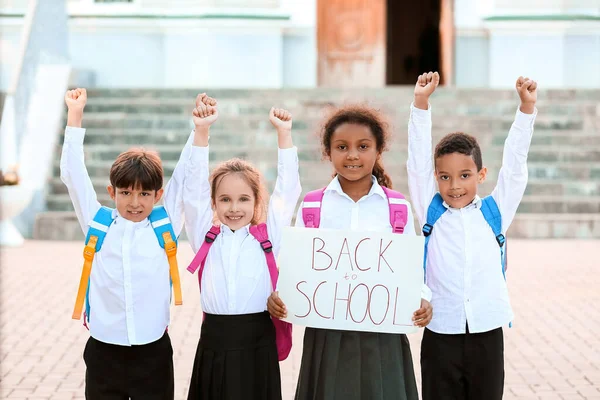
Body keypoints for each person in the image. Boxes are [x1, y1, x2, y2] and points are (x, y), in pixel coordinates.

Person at [268, 104, 433, 400]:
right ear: (328, 152)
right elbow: (299, 262)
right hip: (327, 335)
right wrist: (282, 294)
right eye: (342, 147)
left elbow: (410, 268)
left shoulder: (396, 207)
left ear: (378, 150)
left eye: (363, 146)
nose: (353, 155)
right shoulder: (313, 205)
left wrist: (423, 298)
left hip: (383, 335)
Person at [407, 71, 538, 400]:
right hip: (441, 332)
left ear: (480, 174)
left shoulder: (495, 212)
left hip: (487, 333)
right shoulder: (430, 211)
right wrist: (421, 104)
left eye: (465, 175)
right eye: (445, 177)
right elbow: (416, 163)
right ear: (435, 178)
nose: (455, 186)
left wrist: (526, 109)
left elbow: (516, 165)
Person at [61, 88, 193, 399]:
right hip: (104, 350)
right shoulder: (98, 223)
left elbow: (186, 177)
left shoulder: (165, 225)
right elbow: (73, 175)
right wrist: (75, 114)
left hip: (153, 350)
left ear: (158, 196)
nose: (135, 202)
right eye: (126, 193)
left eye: (144, 194)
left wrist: (199, 130)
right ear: (112, 191)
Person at [182, 93, 302, 400]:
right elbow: (193, 189)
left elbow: (287, 191)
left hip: (257, 343)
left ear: (257, 201)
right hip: (214, 343)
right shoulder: (204, 236)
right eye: (225, 199)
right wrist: (201, 132)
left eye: (243, 199)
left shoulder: (267, 237)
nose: (234, 208)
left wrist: (284, 136)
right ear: (214, 203)